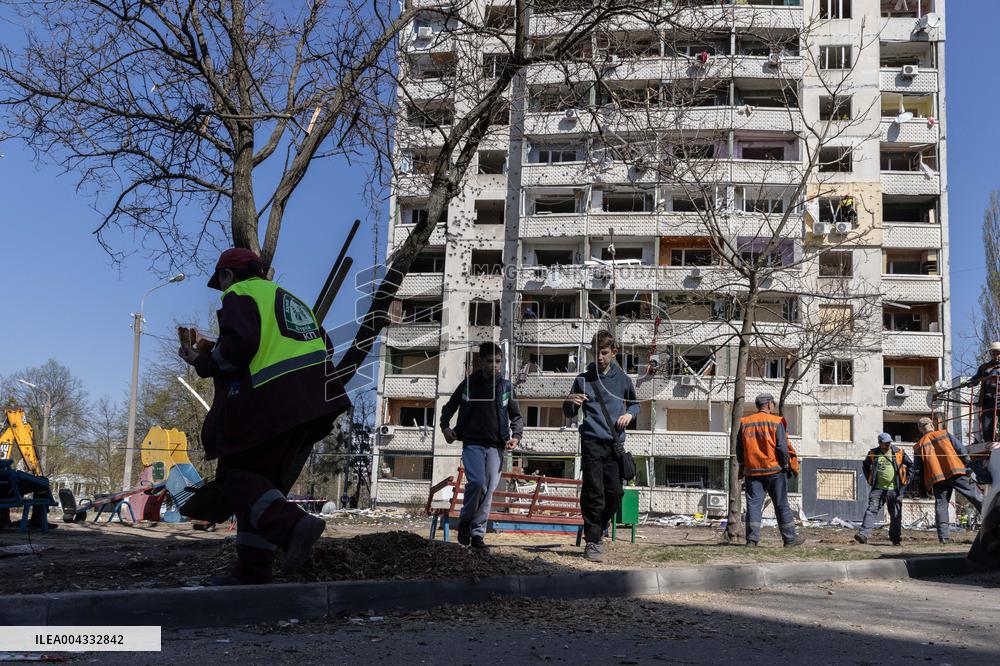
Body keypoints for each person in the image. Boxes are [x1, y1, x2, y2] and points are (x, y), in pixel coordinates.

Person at [179, 248, 350, 585]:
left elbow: (240, 346)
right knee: (258, 487)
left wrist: (201, 361)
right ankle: (253, 570)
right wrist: (214, 346)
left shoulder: (239, 294)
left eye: (221, 282)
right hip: (314, 405)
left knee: (234, 477)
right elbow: (323, 347)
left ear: (228, 276)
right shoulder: (290, 300)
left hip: (273, 403)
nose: (222, 289)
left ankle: (293, 525)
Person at [563, 330, 640, 561]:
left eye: (604, 353)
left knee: (615, 493)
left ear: (614, 352)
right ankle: (593, 540)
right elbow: (569, 412)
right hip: (591, 442)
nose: (599, 357)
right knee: (593, 492)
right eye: (596, 352)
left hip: (614, 444)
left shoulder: (624, 380)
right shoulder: (583, 379)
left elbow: (636, 405)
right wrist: (570, 402)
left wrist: (629, 414)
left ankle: (600, 525)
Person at [440, 341, 523, 551]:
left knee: (488, 492)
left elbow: (516, 416)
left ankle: (477, 535)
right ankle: (466, 521)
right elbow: (449, 407)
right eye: (489, 361)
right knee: (477, 483)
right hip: (472, 443)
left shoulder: (505, 387)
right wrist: (445, 428)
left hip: (496, 446)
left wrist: (517, 436)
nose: (494, 365)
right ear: (480, 361)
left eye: (498, 361)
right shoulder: (469, 384)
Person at [736, 394, 804, 547]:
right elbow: (781, 447)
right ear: (768, 405)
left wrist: (742, 466)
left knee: (753, 506)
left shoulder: (745, 422)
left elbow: (739, 449)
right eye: (773, 403)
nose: (773, 405)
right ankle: (790, 539)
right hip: (774, 471)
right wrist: (786, 465)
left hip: (752, 472)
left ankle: (752, 541)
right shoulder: (776, 421)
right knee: (781, 505)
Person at [911, 416, 983, 544]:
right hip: (956, 471)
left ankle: (943, 537)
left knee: (941, 505)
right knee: (976, 497)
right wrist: (969, 464)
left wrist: (923, 486)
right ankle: (994, 519)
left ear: (920, 430)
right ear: (932, 425)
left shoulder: (918, 446)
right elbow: (961, 449)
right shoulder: (944, 434)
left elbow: (918, 469)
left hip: (937, 479)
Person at [855, 433, 912, 546]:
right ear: (879, 443)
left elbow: (911, 465)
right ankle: (863, 534)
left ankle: (895, 539)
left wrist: (907, 480)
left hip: (895, 489)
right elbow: (865, 466)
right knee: (871, 510)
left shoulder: (899, 452)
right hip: (878, 489)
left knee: (896, 515)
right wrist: (870, 480)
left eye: (889, 443)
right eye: (885, 443)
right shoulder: (873, 453)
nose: (887, 445)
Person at [971, 342, 1000, 442]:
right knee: (987, 425)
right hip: (988, 399)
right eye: (994, 353)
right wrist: (969, 382)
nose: (996, 356)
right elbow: (976, 379)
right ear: (991, 354)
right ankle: (989, 443)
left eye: (998, 353)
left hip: (999, 397)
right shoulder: (984, 367)